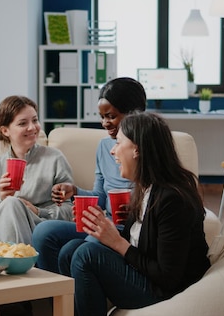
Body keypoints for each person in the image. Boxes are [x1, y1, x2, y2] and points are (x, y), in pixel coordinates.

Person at [58, 111, 211, 316]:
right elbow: (139, 242)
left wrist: (117, 242)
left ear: (137, 149)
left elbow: (168, 277)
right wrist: (103, 227)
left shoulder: (172, 198)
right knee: (70, 250)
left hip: (166, 290)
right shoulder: (145, 187)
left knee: (86, 254)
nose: (113, 151)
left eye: (118, 143)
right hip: (146, 274)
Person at [32, 77, 147, 273]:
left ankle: (73, 297)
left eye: (110, 116)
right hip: (106, 222)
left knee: (78, 248)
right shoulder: (104, 147)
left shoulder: (148, 148)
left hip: (129, 229)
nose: (104, 123)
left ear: (133, 114)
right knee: (44, 231)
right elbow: (100, 198)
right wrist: (74, 191)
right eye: (102, 117)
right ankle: (53, 297)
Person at [0, 95, 74, 244]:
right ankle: (16, 260)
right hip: (6, 233)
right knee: (11, 204)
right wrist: (2, 200)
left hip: (41, 231)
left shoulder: (54, 158)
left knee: (12, 204)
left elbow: (69, 210)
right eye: (23, 123)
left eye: (35, 120)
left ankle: (8, 261)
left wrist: (37, 211)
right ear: (5, 130)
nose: (32, 127)